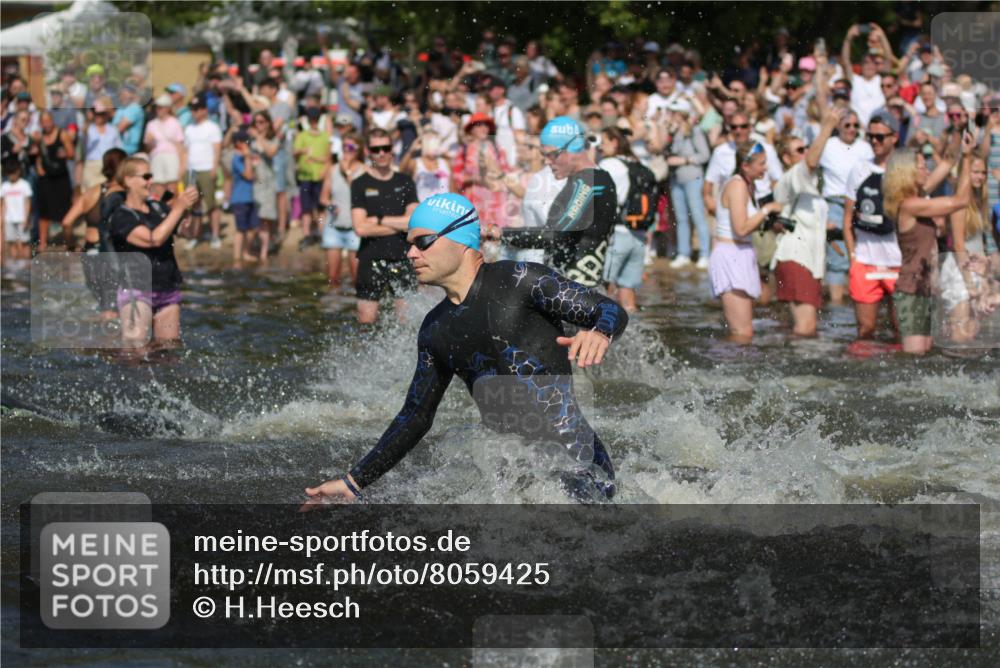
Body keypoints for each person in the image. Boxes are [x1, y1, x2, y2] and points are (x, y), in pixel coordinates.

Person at [303, 193, 628, 506]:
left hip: (576, 462)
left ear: (461, 240)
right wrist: (353, 482)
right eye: (409, 245)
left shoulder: (520, 280)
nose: (411, 254)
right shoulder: (435, 329)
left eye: (423, 242)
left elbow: (606, 309)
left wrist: (600, 331)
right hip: (513, 473)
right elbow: (416, 417)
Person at [490, 116, 617, 288]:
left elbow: (555, 235)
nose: (547, 161)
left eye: (551, 154)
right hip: (570, 289)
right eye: (544, 155)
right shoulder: (583, 180)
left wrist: (501, 234)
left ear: (571, 149)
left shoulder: (591, 181)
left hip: (579, 292)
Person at [883, 132, 974, 354]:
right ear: (907, 173)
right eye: (922, 167)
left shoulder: (919, 197)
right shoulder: (909, 205)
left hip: (926, 287)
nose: (928, 170)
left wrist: (958, 131)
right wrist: (969, 159)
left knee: (926, 355)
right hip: (911, 290)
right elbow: (960, 201)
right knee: (914, 359)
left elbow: (949, 161)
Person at [109, 156, 198, 346]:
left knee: (168, 352)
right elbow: (153, 239)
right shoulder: (121, 215)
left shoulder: (158, 207)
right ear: (127, 180)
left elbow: (188, 232)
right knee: (135, 351)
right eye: (146, 177)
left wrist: (190, 211)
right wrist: (178, 208)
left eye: (151, 176)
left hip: (167, 289)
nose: (151, 182)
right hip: (136, 291)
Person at [770, 109, 842, 336]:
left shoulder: (806, 183)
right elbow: (811, 161)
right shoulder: (792, 176)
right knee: (806, 327)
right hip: (796, 257)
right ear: (786, 158)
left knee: (803, 327)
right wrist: (828, 127)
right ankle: (798, 369)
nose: (806, 153)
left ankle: (794, 365)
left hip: (806, 260)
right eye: (799, 150)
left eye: (805, 147)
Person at [709, 141, 785, 343]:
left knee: (744, 330)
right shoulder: (737, 186)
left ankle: (735, 367)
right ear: (745, 165)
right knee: (741, 332)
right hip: (730, 256)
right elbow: (741, 227)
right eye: (761, 163)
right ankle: (723, 365)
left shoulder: (748, 185)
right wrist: (767, 209)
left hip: (741, 253)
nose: (766, 168)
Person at [843, 114, 903, 341]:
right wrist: (853, 256)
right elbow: (847, 219)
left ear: (894, 137)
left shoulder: (904, 169)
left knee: (902, 332)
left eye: (880, 136)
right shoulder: (860, 169)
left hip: (898, 262)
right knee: (865, 332)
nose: (874, 141)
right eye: (870, 136)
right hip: (865, 261)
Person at [351, 128, 419, 324]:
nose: (381, 153)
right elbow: (361, 228)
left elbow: (413, 222)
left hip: (402, 257)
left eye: (385, 148)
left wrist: (379, 219)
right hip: (370, 258)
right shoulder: (359, 184)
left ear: (392, 150)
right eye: (376, 149)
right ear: (368, 152)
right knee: (366, 320)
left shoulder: (405, 181)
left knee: (406, 321)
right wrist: (399, 223)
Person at [60, 148, 127, 321]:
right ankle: (110, 346)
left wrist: (72, 247)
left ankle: (96, 344)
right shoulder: (125, 194)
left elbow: (67, 222)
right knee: (116, 309)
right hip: (113, 255)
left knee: (103, 304)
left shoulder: (91, 192)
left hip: (89, 254)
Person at [819, 109, 875, 303]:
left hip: (861, 205)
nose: (851, 129)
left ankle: (859, 299)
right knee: (837, 258)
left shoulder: (865, 148)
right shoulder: (828, 146)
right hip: (834, 202)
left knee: (861, 254)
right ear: (838, 127)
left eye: (855, 126)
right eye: (847, 125)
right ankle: (836, 306)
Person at [939, 156, 992, 343]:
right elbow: (959, 245)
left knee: (971, 333)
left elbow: (980, 244)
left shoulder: (979, 201)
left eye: (983, 172)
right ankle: (945, 371)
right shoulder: (960, 203)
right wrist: (969, 283)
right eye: (975, 172)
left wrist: (985, 278)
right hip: (959, 270)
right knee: (960, 334)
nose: (980, 177)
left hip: (975, 270)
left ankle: (962, 372)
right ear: (964, 173)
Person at [599, 126, 646, 313]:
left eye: (603, 142)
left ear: (615, 142)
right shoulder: (636, 163)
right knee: (628, 294)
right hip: (639, 234)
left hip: (617, 234)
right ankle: (634, 332)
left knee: (605, 289)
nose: (601, 147)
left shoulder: (609, 164)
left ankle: (604, 330)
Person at [665, 98, 711, 269]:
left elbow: (705, 155)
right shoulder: (675, 132)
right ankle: (683, 252)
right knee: (681, 218)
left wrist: (684, 160)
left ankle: (705, 253)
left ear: (681, 114)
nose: (670, 116)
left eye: (673, 113)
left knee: (698, 216)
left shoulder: (695, 131)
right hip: (677, 179)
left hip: (693, 178)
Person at [320, 132, 364, 289]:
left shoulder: (364, 171)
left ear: (358, 149)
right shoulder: (332, 169)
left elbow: (360, 194)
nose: (346, 150)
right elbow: (323, 197)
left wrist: (348, 173)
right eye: (344, 146)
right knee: (332, 278)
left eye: (350, 147)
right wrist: (330, 205)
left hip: (355, 229)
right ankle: (333, 306)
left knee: (356, 278)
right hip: (334, 227)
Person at [182, 95, 222, 249]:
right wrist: (183, 169)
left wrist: (214, 168)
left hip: (206, 168)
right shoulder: (189, 128)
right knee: (193, 205)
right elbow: (185, 151)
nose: (194, 112)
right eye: (192, 109)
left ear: (205, 110)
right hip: (191, 170)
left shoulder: (213, 127)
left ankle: (215, 236)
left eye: (197, 109)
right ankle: (194, 236)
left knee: (211, 204)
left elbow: (217, 150)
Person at [33, 111, 74, 250]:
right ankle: (43, 242)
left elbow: (71, 153)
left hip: (61, 178)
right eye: (43, 121)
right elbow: (38, 156)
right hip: (46, 178)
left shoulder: (62, 134)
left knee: (64, 209)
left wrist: (65, 153)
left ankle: (66, 241)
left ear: (52, 120)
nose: (46, 124)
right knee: (44, 211)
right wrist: (39, 168)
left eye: (48, 120)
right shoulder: (40, 137)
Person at [293, 107, 331, 248]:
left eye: (316, 120)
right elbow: (295, 152)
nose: (314, 123)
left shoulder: (324, 136)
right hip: (305, 177)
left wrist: (324, 171)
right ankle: (307, 234)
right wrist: (303, 151)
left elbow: (328, 158)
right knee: (306, 208)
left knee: (321, 208)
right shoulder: (302, 135)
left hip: (319, 177)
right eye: (312, 120)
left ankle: (322, 234)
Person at [248, 111, 278, 260]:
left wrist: (258, 137)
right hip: (253, 183)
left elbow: (271, 152)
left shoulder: (273, 139)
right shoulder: (250, 141)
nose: (258, 126)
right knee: (255, 217)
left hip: (267, 183)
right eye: (255, 123)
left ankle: (264, 251)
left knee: (265, 218)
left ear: (268, 123)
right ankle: (254, 246)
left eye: (261, 122)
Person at [144, 95, 186, 200]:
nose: (158, 110)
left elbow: (180, 145)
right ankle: (162, 209)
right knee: (157, 184)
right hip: (156, 157)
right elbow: (148, 148)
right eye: (157, 107)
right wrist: (149, 143)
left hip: (171, 157)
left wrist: (181, 165)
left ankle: (171, 208)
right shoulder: (151, 124)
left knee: (172, 185)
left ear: (167, 108)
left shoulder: (175, 123)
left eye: (161, 107)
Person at [230, 130, 261, 264]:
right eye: (246, 142)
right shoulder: (237, 158)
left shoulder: (245, 158)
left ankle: (245, 252)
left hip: (250, 197)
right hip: (239, 198)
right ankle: (237, 257)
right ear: (238, 144)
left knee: (253, 227)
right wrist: (248, 157)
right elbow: (248, 175)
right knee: (240, 229)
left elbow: (254, 176)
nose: (248, 145)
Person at [80, 100, 122, 191]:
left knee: (107, 191)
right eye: (96, 114)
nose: (99, 116)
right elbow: (83, 134)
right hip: (92, 165)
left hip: (109, 166)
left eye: (101, 114)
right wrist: (88, 118)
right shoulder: (88, 128)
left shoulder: (113, 129)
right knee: (90, 192)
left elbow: (119, 148)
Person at [1, 161, 32, 261]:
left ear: (18, 171)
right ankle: (14, 264)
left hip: (22, 219)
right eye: (9, 173)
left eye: (12, 172)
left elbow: (27, 203)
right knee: (11, 242)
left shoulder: (24, 185)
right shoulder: (4, 186)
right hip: (9, 219)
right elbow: (3, 204)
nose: (11, 175)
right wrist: (2, 219)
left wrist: (26, 219)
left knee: (24, 242)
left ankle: (26, 263)